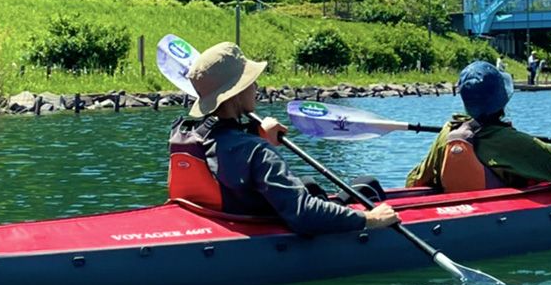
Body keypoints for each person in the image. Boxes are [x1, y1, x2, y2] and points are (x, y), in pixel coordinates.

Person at [171, 42, 399, 235]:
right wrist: (369, 219)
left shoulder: (188, 135)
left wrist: (254, 132)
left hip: (218, 213)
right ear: (237, 92)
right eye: (251, 81)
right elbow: (303, 214)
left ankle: (340, 202)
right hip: (261, 225)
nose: (256, 86)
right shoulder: (256, 151)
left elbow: (226, 147)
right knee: (367, 184)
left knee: (309, 184)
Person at [406, 61, 551, 192]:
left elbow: (415, 180)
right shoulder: (509, 141)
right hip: (492, 217)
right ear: (502, 100)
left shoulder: (448, 132)